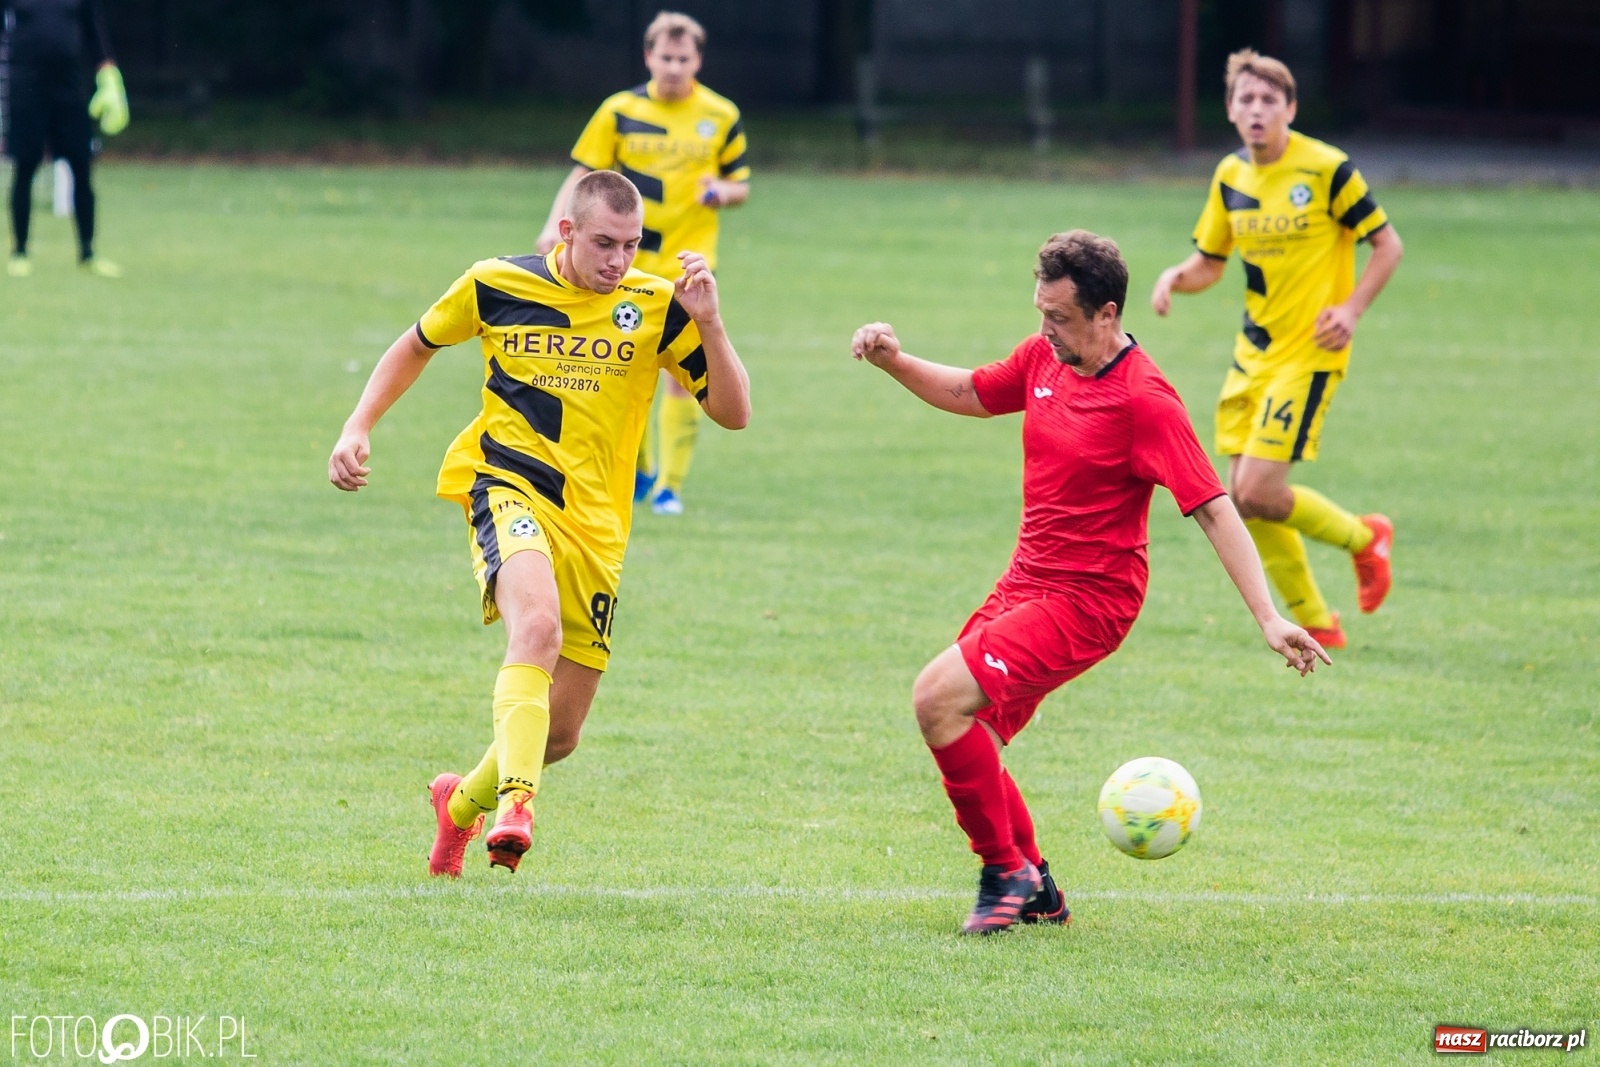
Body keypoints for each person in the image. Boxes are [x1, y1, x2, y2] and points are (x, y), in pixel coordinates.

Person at [851, 230, 1330, 935]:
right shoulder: (1046, 357)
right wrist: (893, 360)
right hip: (1027, 580)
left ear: (1107, 314)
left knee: (937, 697)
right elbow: (973, 391)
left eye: (1060, 318)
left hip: (1091, 601)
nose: (1046, 331)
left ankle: (1004, 868)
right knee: (966, 722)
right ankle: (1038, 886)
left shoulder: (1146, 401)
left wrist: (1268, 616)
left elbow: (1214, 509)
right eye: (1041, 313)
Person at [329, 170, 750, 876]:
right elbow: (416, 344)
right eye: (605, 243)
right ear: (567, 232)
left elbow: (734, 413)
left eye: (632, 244)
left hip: (598, 526)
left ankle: (458, 805)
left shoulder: (654, 305)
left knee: (559, 731)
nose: (620, 260)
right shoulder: (496, 283)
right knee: (537, 629)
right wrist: (357, 425)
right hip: (506, 484)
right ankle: (516, 804)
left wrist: (708, 321)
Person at [1150, 49, 1403, 649]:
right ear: (1232, 111)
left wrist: (1351, 309)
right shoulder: (1230, 176)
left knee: (1258, 491)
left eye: (1270, 100)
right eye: (1246, 99)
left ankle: (1365, 539)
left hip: (1310, 352)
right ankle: (1314, 618)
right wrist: (1173, 278)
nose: (1257, 110)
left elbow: (1387, 244)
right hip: (1253, 355)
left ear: (1290, 108)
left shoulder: (1328, 170)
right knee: (1242, 498)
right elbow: (1210, 263)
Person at [536, 10, 750, 516]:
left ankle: (670, 486)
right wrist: (554, 223)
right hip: (624, 264)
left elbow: (741, 182)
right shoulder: (619, 110)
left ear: (697, 60)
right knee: (625, 364)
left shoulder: (720, 114)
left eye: (683, 58)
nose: (674, 67)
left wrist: (722, 190)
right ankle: (639, 471)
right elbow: (584, 173)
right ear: (648, 56)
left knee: (682, 373)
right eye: (665, 57)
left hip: (688, 265)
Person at [3, 0, 128, 277]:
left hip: (69, 87)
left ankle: (88, 253)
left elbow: (95, 31)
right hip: (27, 86)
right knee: (25, 168)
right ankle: (19, 251)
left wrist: (108, 74)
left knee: (81, 167)